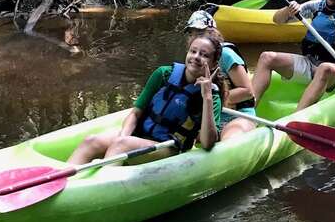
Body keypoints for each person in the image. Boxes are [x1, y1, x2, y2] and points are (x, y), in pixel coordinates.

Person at [67, 34, 224, 165]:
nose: (196, 57)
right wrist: (124, 136)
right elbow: (136, 113)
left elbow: (207, 143)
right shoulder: (164, 74)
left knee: (121, 145)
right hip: (140, 134)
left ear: (213, 63)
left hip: (168, 147)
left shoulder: (212, 98)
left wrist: (207, 98)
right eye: (193, 51)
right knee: (91, 141)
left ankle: (98, 191)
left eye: (204, 55)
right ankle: (60, 181)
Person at [184, 8, 257, 140]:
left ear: (212, 33)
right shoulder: (192, 58)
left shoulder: (226, 55)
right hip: (209, 118)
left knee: (229, 141)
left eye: (200, 33)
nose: (194, 37)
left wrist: (214, 101)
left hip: (236, 116)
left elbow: (248, 92)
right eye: (191, 33)